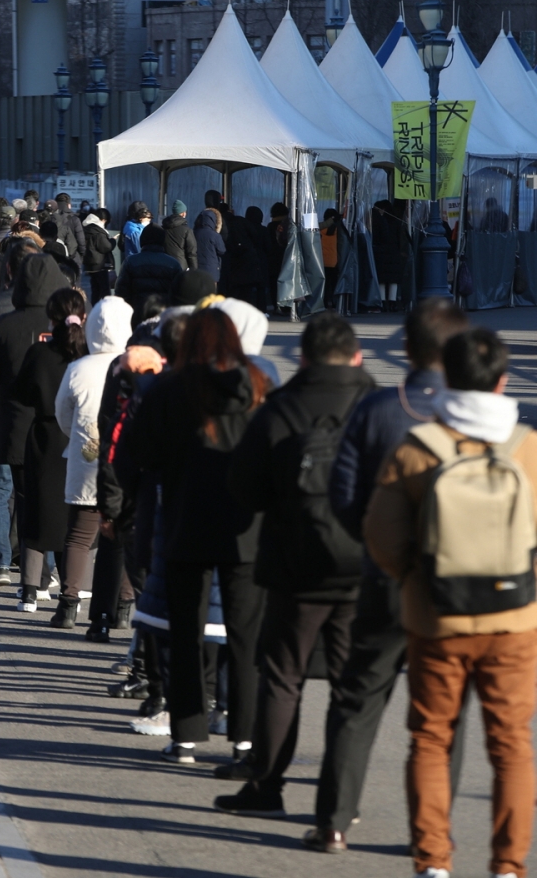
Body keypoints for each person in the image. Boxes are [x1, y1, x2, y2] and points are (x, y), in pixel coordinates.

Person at [365, 326, 537, 878]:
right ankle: (509, 866)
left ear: (446, 378)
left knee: (432, 738)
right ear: (504, 381)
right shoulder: (528, 448)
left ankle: (434, 861)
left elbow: (383, 537)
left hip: (436, 616)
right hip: (514, 619)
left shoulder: (420, 447)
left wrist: (417, 580)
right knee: (511, 743)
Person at [307, 300, 469, 852]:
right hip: (457, 587)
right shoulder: (480, 414)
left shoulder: (378, 409)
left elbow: (345, 497)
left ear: (406, 348)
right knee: (444, 711)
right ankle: (433, 830)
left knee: (357, 697)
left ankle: (333, 818)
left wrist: (379, 545)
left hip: (384, 580)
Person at [213, 313, 375, 818]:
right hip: (365, 566)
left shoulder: (281, 409)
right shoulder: (376, 406)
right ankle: (338, 810)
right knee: (353, 689)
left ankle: (267, 788)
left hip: (292, 562)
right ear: (357, 357)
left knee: (283, 676)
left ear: (302, 358)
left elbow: (244, 488)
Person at [115, 309, 269, 764]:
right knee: (245, 635)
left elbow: (138, 452)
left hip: (185, 516)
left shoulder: (171, 388)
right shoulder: (259, 384)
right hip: (246, 526)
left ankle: (185, 734)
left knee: (186, 630)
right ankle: (244, 737)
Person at [0, 253, 70, 591]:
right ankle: (48, 568)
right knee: (49, 495)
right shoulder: (64, 329)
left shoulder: (2, 324)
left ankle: (0, 563)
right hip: (56, 424)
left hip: (10, 419)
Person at [52, 295, 134, 629]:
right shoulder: (133, 365)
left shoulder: (78, 367)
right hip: (125, 464)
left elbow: (62, 414)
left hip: (86, 459)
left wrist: (80, 437)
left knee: (78, 537)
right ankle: (124, 605)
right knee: (126, 536)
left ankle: (69, 605)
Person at [13, 288, 88, 612]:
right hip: (80, 438)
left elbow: (21, 393)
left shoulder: (39, 353)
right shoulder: (87, 354)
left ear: (51, 316)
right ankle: (74, 586)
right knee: (75, 511)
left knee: (37, 512)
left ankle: (30, 589)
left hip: (44, 435)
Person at [115, 224, 182, 324]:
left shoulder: (130, 262)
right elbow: (178, 294)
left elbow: (121, 292)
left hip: (136, 315)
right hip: (164, 316)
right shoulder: (173, 264)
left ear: (142, 240)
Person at [82, 208, 117, 304]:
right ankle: (106, 310)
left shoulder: (86, 228)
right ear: (103, 219)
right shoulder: (99, 231)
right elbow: (106, 247)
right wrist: (113, 240)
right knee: (105, 291)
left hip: (90, 264)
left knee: (95, 291)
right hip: (100, 265)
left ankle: (95, 310)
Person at [372, 200, 401, 310]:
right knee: (393, 279)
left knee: (382, 279)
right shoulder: (396, 222)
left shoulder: (377, 222)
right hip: (394, 253)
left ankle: (383, 301)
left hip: (381, 253)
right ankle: (393, 302)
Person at [162, 200, 198, 271]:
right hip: (181, 267)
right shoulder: (186, 230)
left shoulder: (163, 228)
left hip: (165, 265)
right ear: (183, 213)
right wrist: (194, 271)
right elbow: (192, 253)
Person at [267, 202, 289, 311]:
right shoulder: (289, 225)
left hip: (272, 259)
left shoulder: (270, 226)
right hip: (286, 258)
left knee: (273, 284)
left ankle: (276, 306)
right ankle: (286, 305)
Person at [193, 206, 225, 282]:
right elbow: (222, 250)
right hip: (212, 270)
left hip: (198, 269)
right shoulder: (215, 235)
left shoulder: (194, 233)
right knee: (211, 292)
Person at [54, 193, 86, 266]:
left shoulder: (51, 218)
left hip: (54, 256)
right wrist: (82, 255)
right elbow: (81, 240)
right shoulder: (74, 219)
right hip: (73, 256)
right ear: (69, 205)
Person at [320, 208, 339, 308]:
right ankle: (335, 302)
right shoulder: (338, 230)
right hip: (334, 261)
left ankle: (325, 302)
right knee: (334, 283)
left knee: (325, 284)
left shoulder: (320, 229)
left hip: (322, 260)